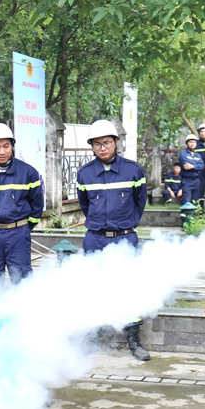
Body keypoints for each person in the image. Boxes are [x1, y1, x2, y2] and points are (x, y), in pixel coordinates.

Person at [76, 119, 150, 361]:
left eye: (106, 142)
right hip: (95, 239)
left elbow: (139, 203)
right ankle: (93, 336)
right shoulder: (85, 173)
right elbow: (85, 205)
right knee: (93, 288)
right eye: (96, 144)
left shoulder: (133, 170)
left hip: (124, 238)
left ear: (116, 142)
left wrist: (125, 225)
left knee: (128, 289)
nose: (102, 148)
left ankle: (134, 341)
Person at [0, 123, 43, 284]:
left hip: (18, 233)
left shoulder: (28, 172)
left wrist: (24, 226)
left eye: (6, 146)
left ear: (12, 146)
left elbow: (37, 205)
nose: (2, 151)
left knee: (21, 277)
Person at [178, 133, 205, 205]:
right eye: (190, 142)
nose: (192, 144)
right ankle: (185, 216)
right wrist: (196, 165)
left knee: (195, 201)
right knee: (186, 200)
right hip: (187, 180)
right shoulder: (183, 153)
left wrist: (192, 166)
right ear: (187, 143)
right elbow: (186, 165)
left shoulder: (198, 155)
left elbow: (202, 166)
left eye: (194, 142)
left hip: (196, 180)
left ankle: (194, 216)